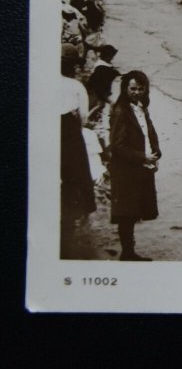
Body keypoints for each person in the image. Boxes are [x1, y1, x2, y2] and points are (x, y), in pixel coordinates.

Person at [109, 71, 161, 261]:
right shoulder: (121, 111)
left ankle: (129, 252)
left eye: (141, 88)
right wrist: (143, 157)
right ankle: (127, 253)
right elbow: (117, 146)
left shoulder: (140, 107)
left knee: (131, 212)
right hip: (125, 170)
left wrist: (156, 152)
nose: (137, 92)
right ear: (125, 89)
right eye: (133, 89)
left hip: (139, 166)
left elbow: (148, 132)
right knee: (127, 214)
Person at [60, 43, 96, 259]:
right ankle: (74, 213)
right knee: (78, 175)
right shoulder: (76, 86)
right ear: (74, 66)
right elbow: (83, 118)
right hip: (69, 131)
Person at [86, 44, 120, 114]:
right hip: (99, 91)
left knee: (101, 105)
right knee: (110, 103)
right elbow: (99, 81)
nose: (112, 58)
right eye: (111, 56)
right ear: (107, 56)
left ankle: (90, 117)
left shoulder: (102, 64)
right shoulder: (101, 67)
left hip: (100, 90)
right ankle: (110, 117)